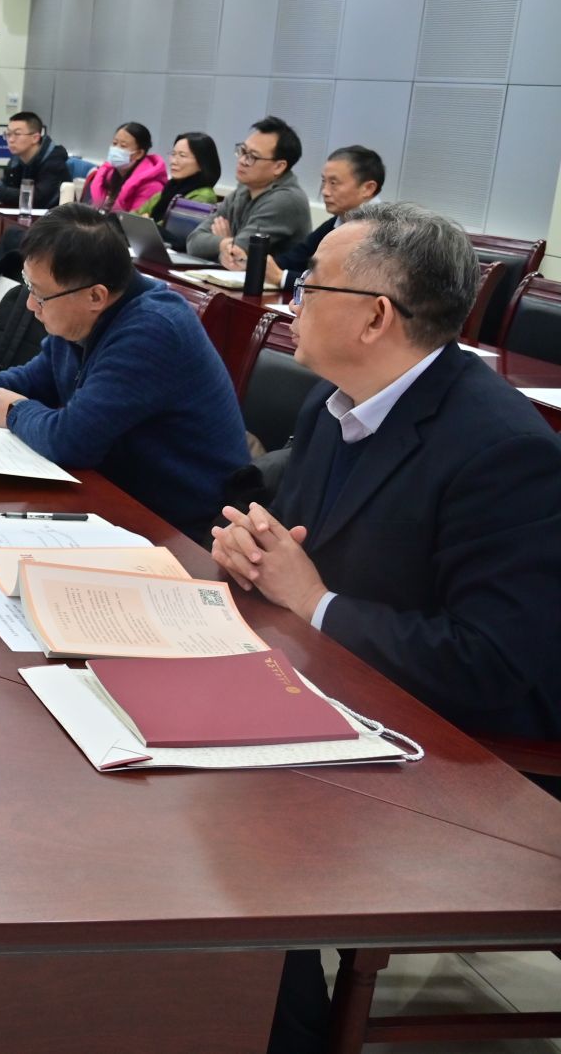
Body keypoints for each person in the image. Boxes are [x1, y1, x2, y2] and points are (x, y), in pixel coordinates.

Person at [209, 203, 561, 1054]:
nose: (290, 301)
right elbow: (296, 547)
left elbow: (495, 669)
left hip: (457, 746)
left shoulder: (501, 450)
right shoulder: (340, 405)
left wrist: (313, 602)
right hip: (330, 683)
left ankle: (267, 1020)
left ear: (375, 317)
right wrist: (250, 551)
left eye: (311, 285)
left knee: (228, 839)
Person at [0, 205, 248, 538]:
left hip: (182, 526)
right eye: (28, 286)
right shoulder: (89, 311)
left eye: (40, 295)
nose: (30, 305)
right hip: (116, 491)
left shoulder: (153, 330)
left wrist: (12, 411)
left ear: (95, 296)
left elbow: (71, 441)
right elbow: (35, 379)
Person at [221, 144, 383, 292]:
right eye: (323, 181)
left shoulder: (380, 233)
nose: (325, 191)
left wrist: (282, 278)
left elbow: (343, 288)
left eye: (334, 183)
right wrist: (248, 262)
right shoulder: (336, 222)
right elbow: (296, 258)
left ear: (368, 188)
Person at [185, 116, 313, 260]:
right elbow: (193, 242)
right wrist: (226, 243)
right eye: (243, 151)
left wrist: (224, 245)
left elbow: (237, 254)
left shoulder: (285, 200)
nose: (242, 160)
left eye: (252, 156)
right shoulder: (243, 190)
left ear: (279, 166)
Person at [0, 111, 69, 207]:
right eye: (8, 134)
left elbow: (38, 198)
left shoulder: (54, 162)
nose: (11, 140)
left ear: (35, 138)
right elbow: (7, 185)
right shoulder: (16, 160)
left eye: (17, 134)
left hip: (52, 215)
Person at [81, 122, 166, 213]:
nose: (116, 149)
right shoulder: (108, 176)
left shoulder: (152, 187)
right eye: (114, 143)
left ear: (139, 153)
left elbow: (135, 219)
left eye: (123, 146)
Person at [138, 130, 223, 221]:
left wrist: (146, 224)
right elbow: (136, 214)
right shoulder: (170, 188)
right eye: (173, 154)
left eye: (182, 156)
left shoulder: (203, 196)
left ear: (202, 163)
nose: (173, 161)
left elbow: (175, 226)